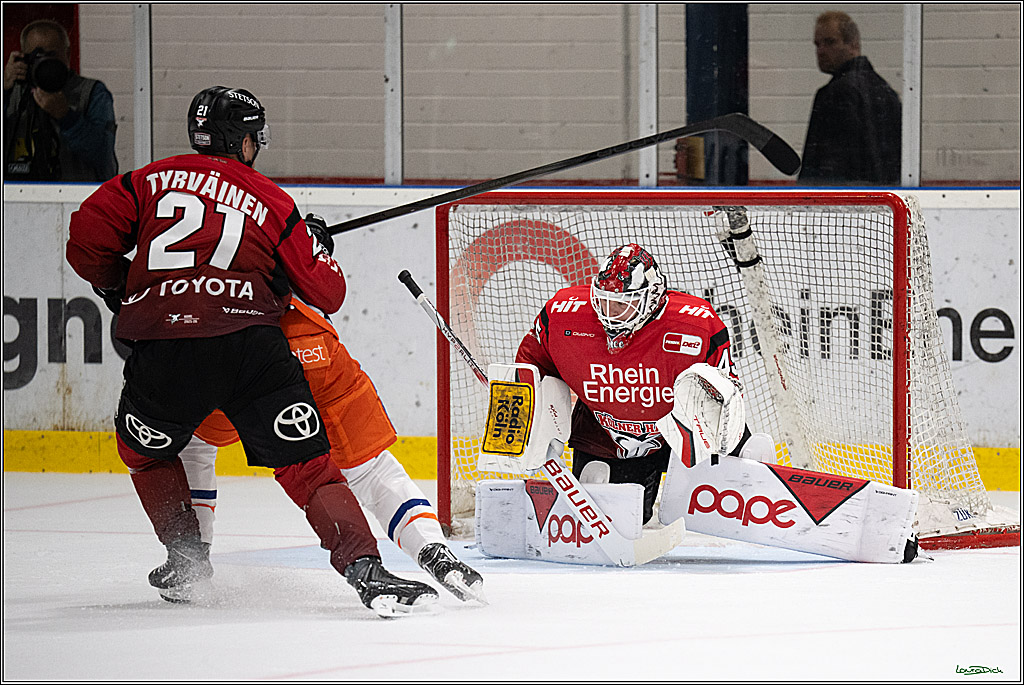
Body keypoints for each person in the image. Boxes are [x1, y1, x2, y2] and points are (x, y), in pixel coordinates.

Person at [65, 85, 437, 617]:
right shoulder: (270, 199)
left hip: (166, 350)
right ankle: (366, 569)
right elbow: (329, 293)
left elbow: (84, 237)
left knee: (145, 450)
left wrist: (120, 284)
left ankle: (186, 555)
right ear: (243, 141)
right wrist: (312, 247)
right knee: (310, 467)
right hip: (251, 349)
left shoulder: (145, 182)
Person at [177, 244, 485, 603]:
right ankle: (434, 551)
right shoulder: (269, 212)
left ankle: (188, 563)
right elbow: (330, 289)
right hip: (313, 348)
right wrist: (313, 243)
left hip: (232, 357)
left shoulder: (181, 215)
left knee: (194, 447)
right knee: (372, 472)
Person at [515, 243, 750, 524]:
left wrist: (728, 444)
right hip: (605, 438)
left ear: (651, 299)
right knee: (625, 520)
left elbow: (726, 393)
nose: (609, 314)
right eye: (603, 302)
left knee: (721, 502)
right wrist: (521, 413)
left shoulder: (696, 324)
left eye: (621, 305)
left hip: (679, 437)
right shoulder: (561, 314)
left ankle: (748, 469)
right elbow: (529, 370)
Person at [4, 18, 118, 181]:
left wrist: (66, 116)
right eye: (37, 56)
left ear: (68, 54)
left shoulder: (91, 93)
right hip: (16, 198)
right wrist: (4, 90)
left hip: (78, 199)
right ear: (23, 58)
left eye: (51, 56)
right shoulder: (12, 92)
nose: (44, 63)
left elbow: (103, 155)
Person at [797, 10, 901, 186]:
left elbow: (819, 167)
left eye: (830, 42)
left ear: (853, 45)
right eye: (817, 44)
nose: (821, 51)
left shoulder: (833, 94)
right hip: (884, 201)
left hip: (840, 204)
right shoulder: (886, 92)